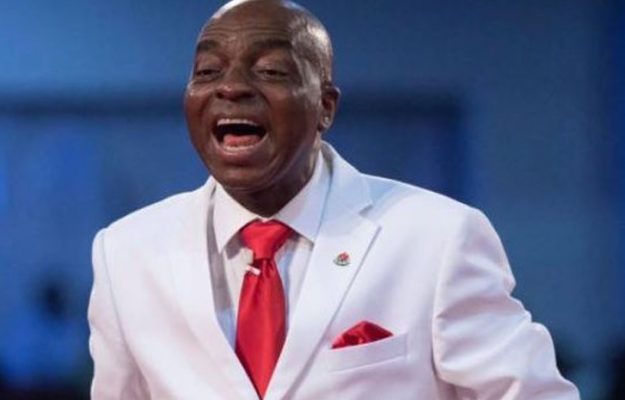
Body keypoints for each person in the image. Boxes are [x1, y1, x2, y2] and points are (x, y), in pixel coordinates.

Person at [87, 0, 580, 399]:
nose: (231, 87)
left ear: (325, 107)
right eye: (208, 70)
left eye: (271, 70)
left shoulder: (438, 239)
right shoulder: (125, 254)